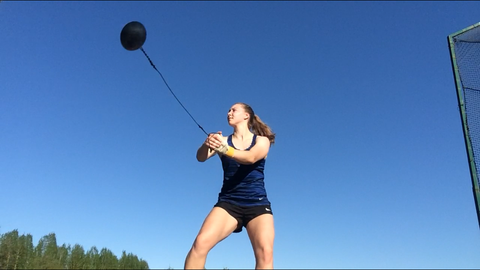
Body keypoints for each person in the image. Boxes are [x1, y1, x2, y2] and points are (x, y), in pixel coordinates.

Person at [184, 102, 276, 270]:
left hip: (257, 204)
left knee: (265, 253)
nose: (229, 113)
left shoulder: (262, 141)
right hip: (228, 203)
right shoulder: (223, 140)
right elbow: (200, 157)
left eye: (234, 110)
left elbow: (250, 157)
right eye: (228, 110)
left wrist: (225, 149)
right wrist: (208, 143)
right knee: (200, 244)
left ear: (246, 116)